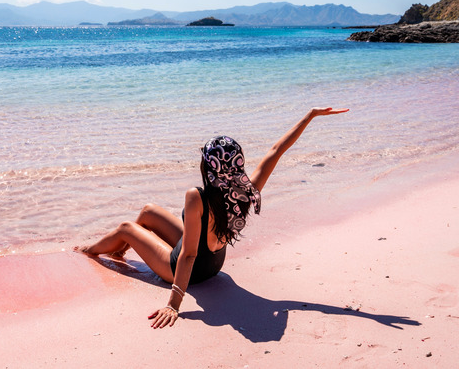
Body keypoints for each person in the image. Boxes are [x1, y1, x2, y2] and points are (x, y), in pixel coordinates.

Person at [75, 107, 348, 328]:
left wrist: (174, 303)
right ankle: (121, 252)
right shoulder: (245, 191)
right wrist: (310, 116)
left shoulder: (197, 196)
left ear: (208, 166)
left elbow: (188, 255)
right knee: (147, 211)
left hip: (187, 272)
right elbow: (276, 151)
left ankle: (89, 251)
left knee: (126, 227)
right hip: (215, 265)